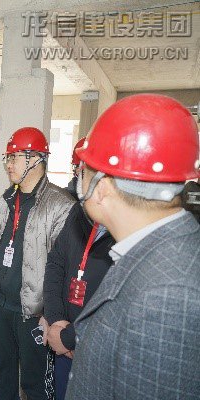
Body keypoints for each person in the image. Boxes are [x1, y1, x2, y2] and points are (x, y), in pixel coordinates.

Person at [65, 94, 200, 400]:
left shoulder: (167, 295)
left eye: (84, 169)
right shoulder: (157, 249)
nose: (78, 177)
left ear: (101, 188)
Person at [0, 127, 74, 400]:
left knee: (35, 383)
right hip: (0, 305)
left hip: (34, 311)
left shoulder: (60, 205)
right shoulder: (7, 198)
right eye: (7, 157)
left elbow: (63, 268)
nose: (8, 164)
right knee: (0, 373)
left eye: (15, 157)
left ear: (36, 159)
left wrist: (51, 313)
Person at [42, 202, 115, 400]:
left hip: (97, 349)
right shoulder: (79, 211)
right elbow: (56, 263)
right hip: (62, 337)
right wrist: (56, 320)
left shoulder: (127, 225)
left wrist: (70, 338)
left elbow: (119, 301)